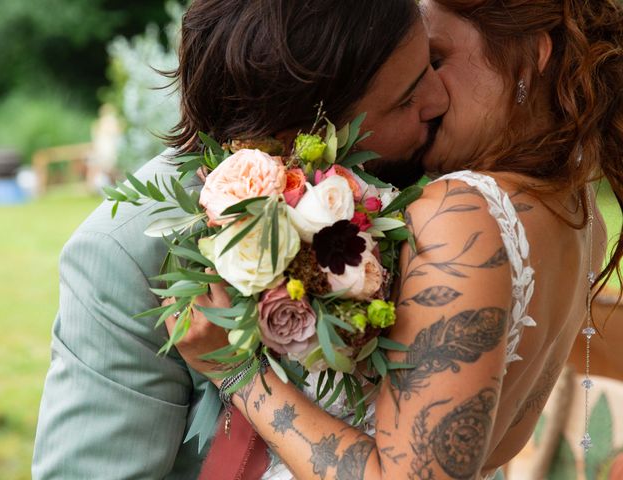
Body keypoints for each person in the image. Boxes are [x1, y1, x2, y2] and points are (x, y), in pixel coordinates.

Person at [168, 0, 623, 479]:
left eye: (439, 59)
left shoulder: (462, 214)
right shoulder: (578, 214)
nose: (434, 96)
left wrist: (239, 374)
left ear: (533, 56)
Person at [31, 1, 448, 478]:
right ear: (299, 134)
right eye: (407, 99)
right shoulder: (127, 256)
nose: (440, 100)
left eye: (433, 64)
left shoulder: (442, 196)